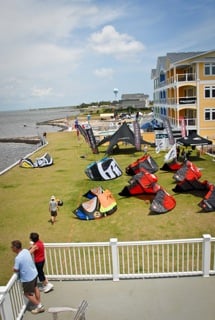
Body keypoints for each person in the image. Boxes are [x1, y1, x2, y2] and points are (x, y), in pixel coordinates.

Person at [11, 240, 45, 314]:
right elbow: (30, 251)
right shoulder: (26, 251)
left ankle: (39, 306)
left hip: (27, 278)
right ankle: (38, 303)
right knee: (35, 287)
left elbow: (16, 269)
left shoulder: (18, 258)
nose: (11, 248)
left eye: (12, 247)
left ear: (15, 248)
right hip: (34, 274)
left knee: (26, 293)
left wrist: (13, 268)